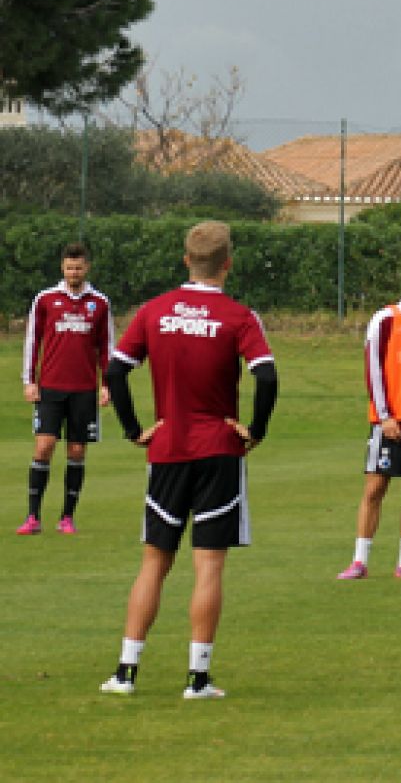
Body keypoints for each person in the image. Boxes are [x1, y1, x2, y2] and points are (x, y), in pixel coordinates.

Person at [99, 221, 279, 699]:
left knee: (154, 563)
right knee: (209, 567)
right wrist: (255, 431)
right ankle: (197, 678)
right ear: (228, 263)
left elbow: (115, 372)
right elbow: (267, 377)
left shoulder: (154, 311)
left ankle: (125, 671)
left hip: (168, 450)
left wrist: (135, 430)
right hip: (219, 451)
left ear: (185, 260)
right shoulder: (239, 316)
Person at [337, 260, 401, 581]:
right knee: (375, 487)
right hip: (390, 421)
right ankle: (359, 560)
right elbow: (374, 370)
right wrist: (384, 416)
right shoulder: (385, 320)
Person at [20, 243, 114, 536]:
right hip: (50, 387)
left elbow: (106, 349)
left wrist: (106, 385)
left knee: (76, 451)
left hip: (84, 390)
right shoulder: (46, 299)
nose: (74, 272)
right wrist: (29, 380)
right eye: (69, 267)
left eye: (79, 267)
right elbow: (32, 341)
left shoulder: (100, 303)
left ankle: (67, 517)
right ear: (63, 267)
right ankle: (33, 517)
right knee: (44, 446)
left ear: (87, 267)